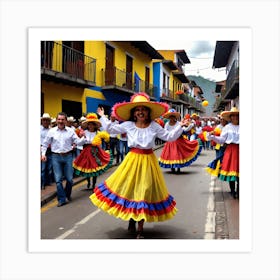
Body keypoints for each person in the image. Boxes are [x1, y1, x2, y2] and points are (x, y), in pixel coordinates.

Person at [89, 92, 189, 239]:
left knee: (144, 192)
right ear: (134, 113)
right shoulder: (128, 125)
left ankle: (140, 230)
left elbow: (169, 137)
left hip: (148, 161)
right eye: (137, 109)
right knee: (129, 190)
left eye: (143, 109)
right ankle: (132, 218)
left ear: (148, 112)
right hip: (132, 160)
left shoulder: (154, 126)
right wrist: (103, 117)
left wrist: (180, 126)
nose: (140, 112)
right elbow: (111, 130)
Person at [41, 112, 87, 207]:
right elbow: (45, 144)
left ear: (66, 121)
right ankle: (62, 199)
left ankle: (67, 194)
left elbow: (78, 142)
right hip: (55, 157)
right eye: (59, 119)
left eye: (63, 119)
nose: (61, 121)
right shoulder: (52, 131)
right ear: (57, 120)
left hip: (68, 156)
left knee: (70, 180)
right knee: (58, 180)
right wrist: (43, 154)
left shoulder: (70, 131)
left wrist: (83, 138)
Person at [73, 113, 113, 189]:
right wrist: (84, 139)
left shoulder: (98, 133)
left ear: (95, 125)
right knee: (87, 168)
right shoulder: (85, 133)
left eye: (92, 124)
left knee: (95, 169)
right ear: (87, 125)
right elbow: (80, 142)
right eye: (89, 125)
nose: (90, 126)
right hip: (86, 152)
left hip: (96, 152)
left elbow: (104, 140)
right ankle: (88, 183)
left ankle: (93, 184)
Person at [208, 107, 240, 199]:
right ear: (230, 117)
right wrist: (213, 137)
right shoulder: (227, 127)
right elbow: (222, 140)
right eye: (233, 116)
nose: (235, 117)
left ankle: (239, 190)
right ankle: (233, 191)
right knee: (232, 171)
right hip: (230, 150)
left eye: (237, 116)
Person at [158, 109, 202, 174]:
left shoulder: (179, 123)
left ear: (175, 117)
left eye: (173, 116)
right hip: (170, 142)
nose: (172, 118)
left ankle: (178, 168)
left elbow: (184, 129)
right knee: (171, 155)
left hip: (178, 141)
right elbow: (165, 132)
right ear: (169, 117)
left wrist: (190, 126)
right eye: (170, 116)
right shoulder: (167, 124)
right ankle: (172, 167)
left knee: (177, 155)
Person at [40, 113, 53, 189]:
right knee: (43, 168)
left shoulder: (51, 130)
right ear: (42, 121)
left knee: (49, 168)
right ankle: (42, 184)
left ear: (49, 122)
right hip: (41, 150)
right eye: (44, 120)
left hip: (50, 150)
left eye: (47, 120)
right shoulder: (38, 129)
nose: (45, 122)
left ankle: (48, 182)